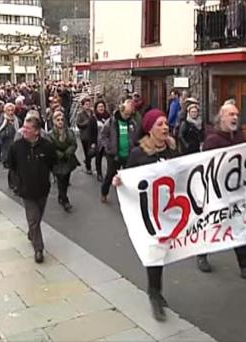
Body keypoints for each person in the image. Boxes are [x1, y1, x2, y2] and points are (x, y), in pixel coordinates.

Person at [112, 108, 178, 322]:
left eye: (166, 123)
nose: (165, 127)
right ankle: (155, 294)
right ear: (149, 129)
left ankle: (156, 292)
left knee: (166, 251)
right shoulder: (138, 153)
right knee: (154, 253)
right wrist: (119, 182)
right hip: (148, 213)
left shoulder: (173, 149)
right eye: (159, 124)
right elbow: (128, 177)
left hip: (170, 209)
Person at [195, 103, 246, 279]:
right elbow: (207, 166)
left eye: (236, 114)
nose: (235, 117)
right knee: (212, 224)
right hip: (217, 192)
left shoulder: (239, 137)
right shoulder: (213, 140)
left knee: (239, 225)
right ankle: (201, 254)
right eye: (231, 114)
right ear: (222, 118)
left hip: (236, 191)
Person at [8, 116, 57, 263]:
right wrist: (17, 183)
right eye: (24, 127)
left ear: (36, 131)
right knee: (33, 219)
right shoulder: (17, 147)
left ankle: (32, 233)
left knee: (38, 217)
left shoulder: (46, 146)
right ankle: (39, 249)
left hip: (42, 189)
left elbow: (52, 162)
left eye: (28, 128)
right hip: (26, 190)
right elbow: (11, 165)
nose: (24, 130)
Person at [99, 99, 139, 203]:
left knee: (128, 177)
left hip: (128, 154)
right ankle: (104, 193)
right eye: (126, 114)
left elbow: (135, 135)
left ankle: (127, 197)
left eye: (129, 114)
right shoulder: (112, 121)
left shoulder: (132, 122)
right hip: (114, 155)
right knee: (110, 175)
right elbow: (103, 135)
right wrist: (108, 147)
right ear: (121, 110)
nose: (127, 116)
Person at [47, 110, 79, 211]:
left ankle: (61, 196)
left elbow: (74, 143)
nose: (60, 121)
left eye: (62, 120)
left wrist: (68, 152)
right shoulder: (50, 134)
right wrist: (60, 154)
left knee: (66, 180)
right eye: (58, 120)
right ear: (54, 121)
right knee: (61, 181)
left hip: (68, 160)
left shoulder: (69, 132)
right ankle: (65, 200)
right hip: (57, 162)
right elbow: (50, 147)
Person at [0, 103, 21, 194]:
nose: (11, 112)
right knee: (12, 166)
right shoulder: (2, 120)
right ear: (5, 111)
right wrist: (7, 131)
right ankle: (14, 184)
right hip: (7, 147)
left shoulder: (17, 120)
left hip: (17, 145)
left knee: (16, 166)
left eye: (12, 110)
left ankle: (15, 183)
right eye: (9, 110)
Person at [76, 97, 98, 175]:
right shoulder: (80, 114)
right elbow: (78, 124)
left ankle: (89, 162)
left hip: (92, 135)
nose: (88, 106)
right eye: (86, 104)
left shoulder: (92, 113)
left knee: (94, 152)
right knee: (87, 153)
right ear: (83, 106)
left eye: (89, 104)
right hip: (85, 136)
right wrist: (87, 122)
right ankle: (88, 168)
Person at [94, 100, 110, 182]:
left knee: (109, 158)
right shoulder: (94, 118)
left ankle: (110, 174)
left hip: (107, 141)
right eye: (99, 107)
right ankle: (99, 173)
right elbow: (91, 131)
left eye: (102, 106)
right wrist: (92, 143)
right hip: (98, 141)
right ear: (96, 108)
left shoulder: (108, 116)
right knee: (99, 157)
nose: (101, 108)